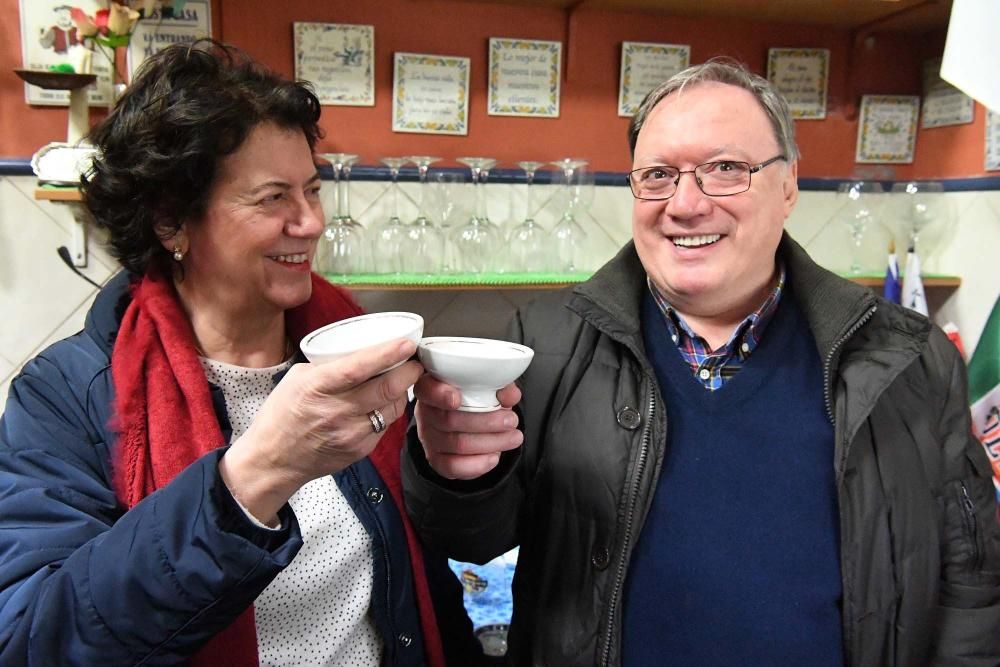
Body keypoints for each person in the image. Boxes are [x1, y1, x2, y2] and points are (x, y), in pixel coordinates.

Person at [402, 58, 1000, 665]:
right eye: (658, 174)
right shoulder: (546, 343)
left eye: (724, 169)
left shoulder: (906, 359)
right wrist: (454, 472)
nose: (685, 204)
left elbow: (971, 580)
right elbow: (467, 537)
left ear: (789, 183)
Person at [0, 40, 481, 666]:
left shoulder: (359, 349)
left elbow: (431, 570)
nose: (309, 222)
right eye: (272, 197)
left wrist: (461, 474)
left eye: (312, 190)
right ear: (172, 221)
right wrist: (250, 480)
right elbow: (35, 640)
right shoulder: (68, 393)